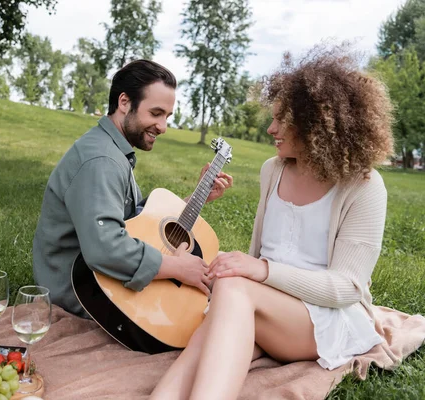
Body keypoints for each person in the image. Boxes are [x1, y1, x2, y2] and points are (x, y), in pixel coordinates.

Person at [150, 44, 395, 399]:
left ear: (315, 125)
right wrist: (246, 274)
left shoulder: (363, 185)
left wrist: (260, 270)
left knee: (235, 289)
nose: (270, 128)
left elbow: (347, 288)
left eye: (282, 119)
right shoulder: (272, 170)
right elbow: (260, 253)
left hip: (326, 319)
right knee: (199, 352)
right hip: (264, 305)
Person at [32, 59, 233, 318]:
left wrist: (196, 197)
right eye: (156, 113)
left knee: (223, 275)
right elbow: (105, 249)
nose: (163, 127)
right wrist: (176, 267)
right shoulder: (101, 160)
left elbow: (136, 219)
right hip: (83, 294)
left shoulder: (113, 150)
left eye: (167, 116)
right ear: (124, 102)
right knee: (213, 307)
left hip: (105, 280)